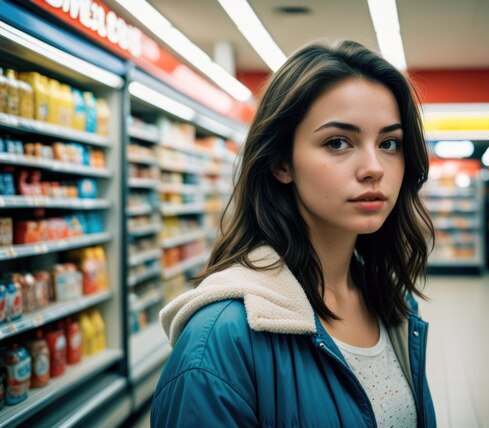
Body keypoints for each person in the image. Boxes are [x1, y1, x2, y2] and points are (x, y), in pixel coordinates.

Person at [151, 40, 436, 427]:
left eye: (389, 143)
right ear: (282, 162)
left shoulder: (393, 302)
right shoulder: (219, 339)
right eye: (338, 142)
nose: (374, 167)